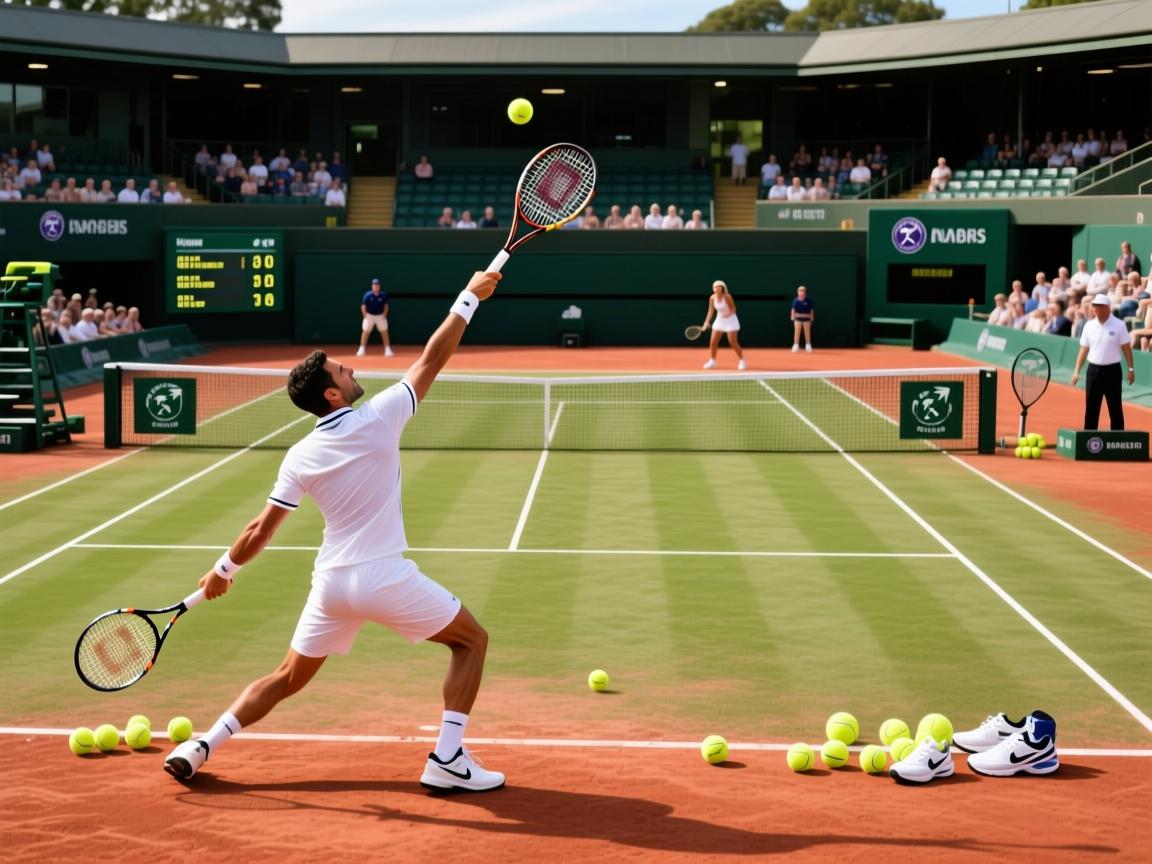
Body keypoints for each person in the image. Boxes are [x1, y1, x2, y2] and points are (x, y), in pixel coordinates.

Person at [163, 269, 506, 796]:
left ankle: (201, 745)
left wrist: (221, 570)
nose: (352, 370)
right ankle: (447, 757)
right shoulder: (379, 417)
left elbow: (260, 528)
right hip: (383, 576)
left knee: (286, 677)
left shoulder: (300, 455)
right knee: (472, 642)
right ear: (332, 393)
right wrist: (469, 297)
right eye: (343, 371)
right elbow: (432, 359)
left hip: (331, 586)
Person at [1071, 294, 1136, 430]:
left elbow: (1126, 348)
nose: (1095, 309)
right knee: (1091, 408)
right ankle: (1089, 439)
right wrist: (1076, 371)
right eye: (1094, 306)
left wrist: (1131, 369)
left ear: (1107, 308)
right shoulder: (1089, 326)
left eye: (1099, 306)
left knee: (1115, 407)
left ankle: (1118, 440)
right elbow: (1084, 349)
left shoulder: (1119, 325)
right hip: (1093, 371)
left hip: (1113, 371)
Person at [701, 280, 746, 371]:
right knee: (713, 342)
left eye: (718, 286)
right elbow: (710, 311)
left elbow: (733, 309)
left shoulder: (727, 297)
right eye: (715, 287)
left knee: (732, 342)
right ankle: (712, 361)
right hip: (719, 321)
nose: (716, 288)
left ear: (722, 288)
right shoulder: (712, 298)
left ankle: (742, 361)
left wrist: (727, 315)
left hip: (731, 320)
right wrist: (706, 322)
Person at [356, 277, 394, 357]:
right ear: (372, 286)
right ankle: (362, 349)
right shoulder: (367, 295)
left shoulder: (383, 295)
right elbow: (363, 306)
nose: (376, 286)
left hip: (380, 316)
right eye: (374, 285)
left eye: (377, 285)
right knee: (366, 331)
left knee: (384, 332)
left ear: (379, 286)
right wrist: (365, 315)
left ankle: (387, 349)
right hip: (369, 316)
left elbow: (386, 305)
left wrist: (384, 314)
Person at [790, 284, 814, 352]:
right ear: (798, 292)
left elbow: (811, 310)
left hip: (807, 320)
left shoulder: (809, 301)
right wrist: (792, 316)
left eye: (803, 291)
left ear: (805, 292)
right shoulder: (795, 301)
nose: (801, 292)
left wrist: (811, 316)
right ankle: (796, 345)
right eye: (800, 291)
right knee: (797, 332)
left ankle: (808, 345)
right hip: (797, 320)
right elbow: (793, 310)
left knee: (807, 332)